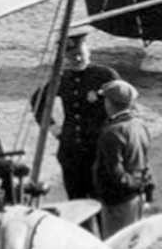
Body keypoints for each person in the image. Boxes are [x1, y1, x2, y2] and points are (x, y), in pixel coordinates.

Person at [93, 79, 152, 249]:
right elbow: (143, 163)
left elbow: (117, 175)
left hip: (118, 202)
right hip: (134, 201)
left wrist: (131, 185)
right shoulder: (139, 126)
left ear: (109, 103)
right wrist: (142, 187)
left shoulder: (111, 133)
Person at [32, 30, 120, 202]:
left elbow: (124, 103)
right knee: (76, 201)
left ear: (88, 52)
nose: (77, 59)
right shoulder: (62, 79)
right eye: (72, 56)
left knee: (101, 199)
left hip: (99, 151)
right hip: (71, 152)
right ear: (65, 58)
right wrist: (53, 128)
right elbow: (38, 101)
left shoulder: (105, 75)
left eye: (80, 54)